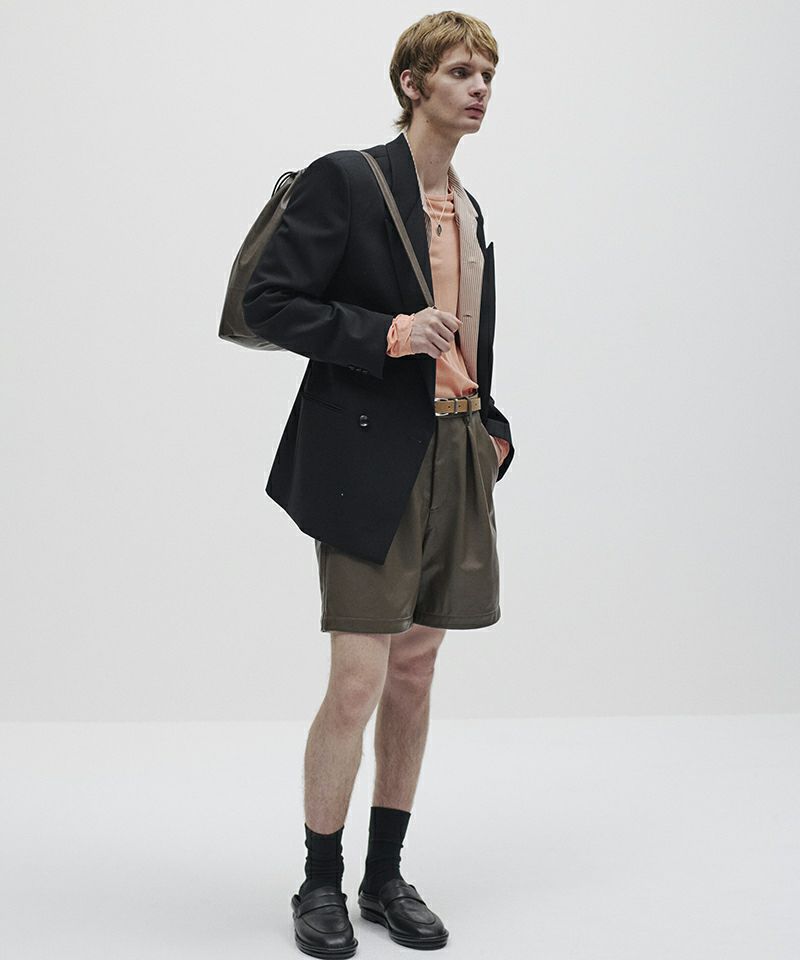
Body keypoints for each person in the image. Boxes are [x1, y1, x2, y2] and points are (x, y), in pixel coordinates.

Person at [243, 12, 514, 957]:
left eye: (488, 74)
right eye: (461, 71)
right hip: (367, 454)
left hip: (456, 449)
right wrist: (386, 334)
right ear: (412, 83)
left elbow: (472, 333)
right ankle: (318, 880)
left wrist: (492, 422)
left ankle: (384, 875)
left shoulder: (469, 207)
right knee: (357, 680)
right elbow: (267, 304)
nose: (479, 88)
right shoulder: (350, 180)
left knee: (416, 671)